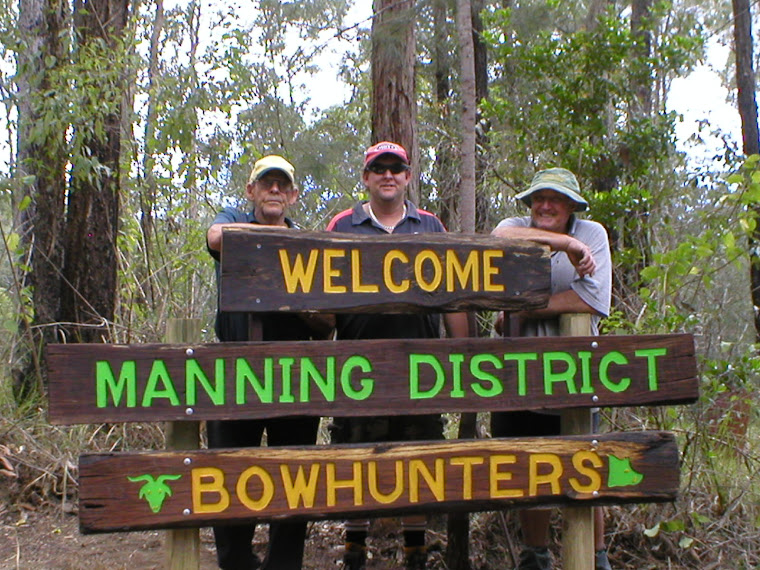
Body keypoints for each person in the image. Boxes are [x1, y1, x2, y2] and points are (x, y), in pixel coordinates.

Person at [326, 142, 470, 570]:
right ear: (366, 177)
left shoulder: (430, 225)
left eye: (396, 168)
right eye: (379, 168)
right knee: (356, 458)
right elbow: (319, 295)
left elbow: (454, 297)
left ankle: (415, 548)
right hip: (356, 368)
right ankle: (354, 546)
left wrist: (460, 357)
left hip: (421, 369)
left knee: (418, 456)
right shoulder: (342, 225)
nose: (388, 175)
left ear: (408, 177)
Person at [206, 155, 332, 570]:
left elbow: (328, 319)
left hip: (296, 376)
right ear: (252, 191)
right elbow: (216, 237)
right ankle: (237, 562)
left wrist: (295, 297)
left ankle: (283, 563)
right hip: (234, 374)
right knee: (228, 474)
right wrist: (276, 255)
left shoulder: (312, 246)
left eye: (282, 185)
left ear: (293, 195)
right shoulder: (233, 219)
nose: (274, 190)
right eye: (266, 183)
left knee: (293, 478)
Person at [490, 167, 613, 570]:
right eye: (539, 198)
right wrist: (563, 243)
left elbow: (592, 301)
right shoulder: (515, 227)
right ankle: (536, 554)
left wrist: (526, 305)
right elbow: (497, 240)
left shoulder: (594, 234)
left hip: (576, 375)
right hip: (519, 376)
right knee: (530, 471)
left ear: (571, 206)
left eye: (555, 199)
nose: (545, 205)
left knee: (585, 468)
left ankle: (596, 557)